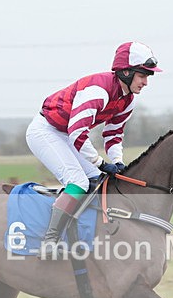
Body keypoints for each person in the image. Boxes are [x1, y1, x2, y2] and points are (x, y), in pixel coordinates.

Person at [25, 41, 161, 258]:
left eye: (148, 76)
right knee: (78, 182)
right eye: (142, 75)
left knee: (99, 182)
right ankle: (49, 241)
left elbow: (113, 135)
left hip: (68, 133)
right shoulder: (98, 90)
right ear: (126, 72)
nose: (146, 82)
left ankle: (80, 235)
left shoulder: (128, 100)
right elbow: (78, 133)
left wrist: (117, 163)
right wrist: (101, 162)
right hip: (46, 131)